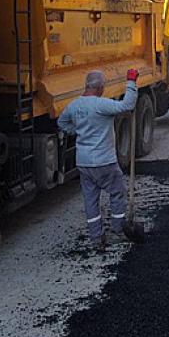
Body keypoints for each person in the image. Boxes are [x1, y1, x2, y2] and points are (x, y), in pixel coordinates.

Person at [58, 69, 139, 250]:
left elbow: (62, 123)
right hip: (104, 161)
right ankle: (118, 228)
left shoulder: (74, 106)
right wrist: (131, 82)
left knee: (90, 199)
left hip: (84, 163)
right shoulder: (101, 105)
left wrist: (76, 131)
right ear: (100, 87)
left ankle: (96, 237)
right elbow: (127, 105)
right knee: (117, 192)